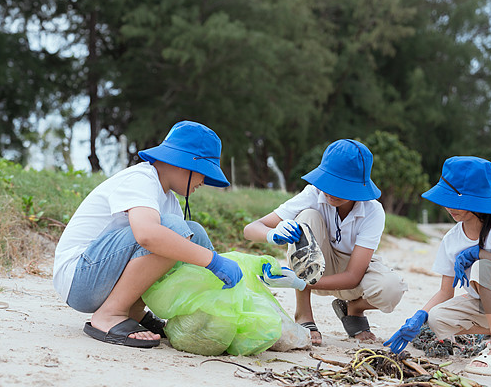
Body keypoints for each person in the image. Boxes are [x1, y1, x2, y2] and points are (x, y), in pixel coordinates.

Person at [53, 120, 243, 348]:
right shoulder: (141, 179)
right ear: (184, 164)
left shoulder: (169, 200)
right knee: (172, 231)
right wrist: (213, 261)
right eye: (204, 173)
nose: (203, 182)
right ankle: (110, 314)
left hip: (101, 276)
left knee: (194, 234)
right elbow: (147, 235)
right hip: (80, 278)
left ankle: (134, 311)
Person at [384, 156, 491, 375]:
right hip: (488, 307)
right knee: (437, 319)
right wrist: (419, 316)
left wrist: (478, 253)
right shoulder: (451, 240)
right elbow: (445, 292)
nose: (450, 207)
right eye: (447, 200)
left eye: (457, 201)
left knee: (482, 267)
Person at [244, 139, 407, 346]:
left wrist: (297, 281)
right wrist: (272, 234)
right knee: (307, 216)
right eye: (328, 182)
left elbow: (353, 276)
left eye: (341, 186)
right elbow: (250, 229)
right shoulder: (313, 193)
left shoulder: (373, 211)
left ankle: (354, 309)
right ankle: (303, 313)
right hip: (316, 265)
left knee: (392, 289)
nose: (331, 192)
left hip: (352, 275)